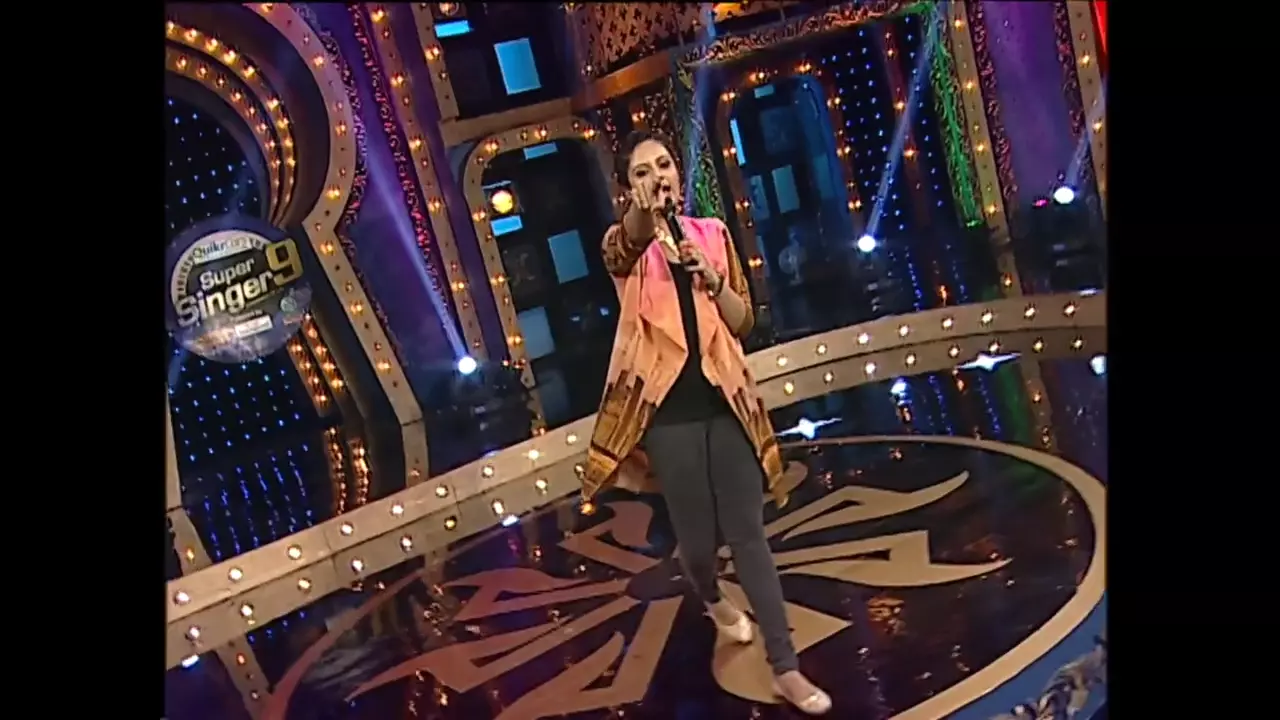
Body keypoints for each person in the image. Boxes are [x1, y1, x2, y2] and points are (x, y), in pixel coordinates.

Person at [581, 130, 831, 715]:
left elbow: (743, 323)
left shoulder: (712, 234)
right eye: (642, 172)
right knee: (697, 547)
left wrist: (713, 281)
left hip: (725, 402)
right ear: (629, 188)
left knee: (749, 535)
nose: (657, 177)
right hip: (669, 417)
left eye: (664, 165)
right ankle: (712, 597)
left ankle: (785, 667)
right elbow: (625, 244)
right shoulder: (625, 246)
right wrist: (645, 217)